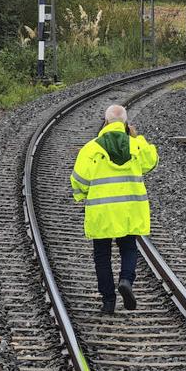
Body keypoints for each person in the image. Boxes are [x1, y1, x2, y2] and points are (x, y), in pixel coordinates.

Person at [70, 104, 159, 314]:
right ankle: (126, 280)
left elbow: (79, 180)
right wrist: (137, 138)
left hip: (102, 212)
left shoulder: (91, 148)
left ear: (106, 121)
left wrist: (82, 195)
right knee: (128, 247)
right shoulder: (135, 146)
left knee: (102, 255)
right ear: (126, 124)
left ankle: (108, 300)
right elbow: (152, 161)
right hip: (129, 210)